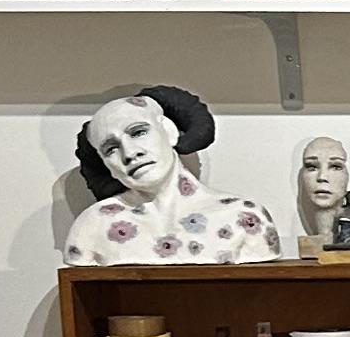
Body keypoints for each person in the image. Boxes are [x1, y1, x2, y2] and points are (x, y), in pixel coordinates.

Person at [60, 84, 284, 265]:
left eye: (138, 132)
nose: (129, 153)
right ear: (107, 166)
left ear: (169, 131)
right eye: (111, 149)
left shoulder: (242, 218)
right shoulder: (93, 227)